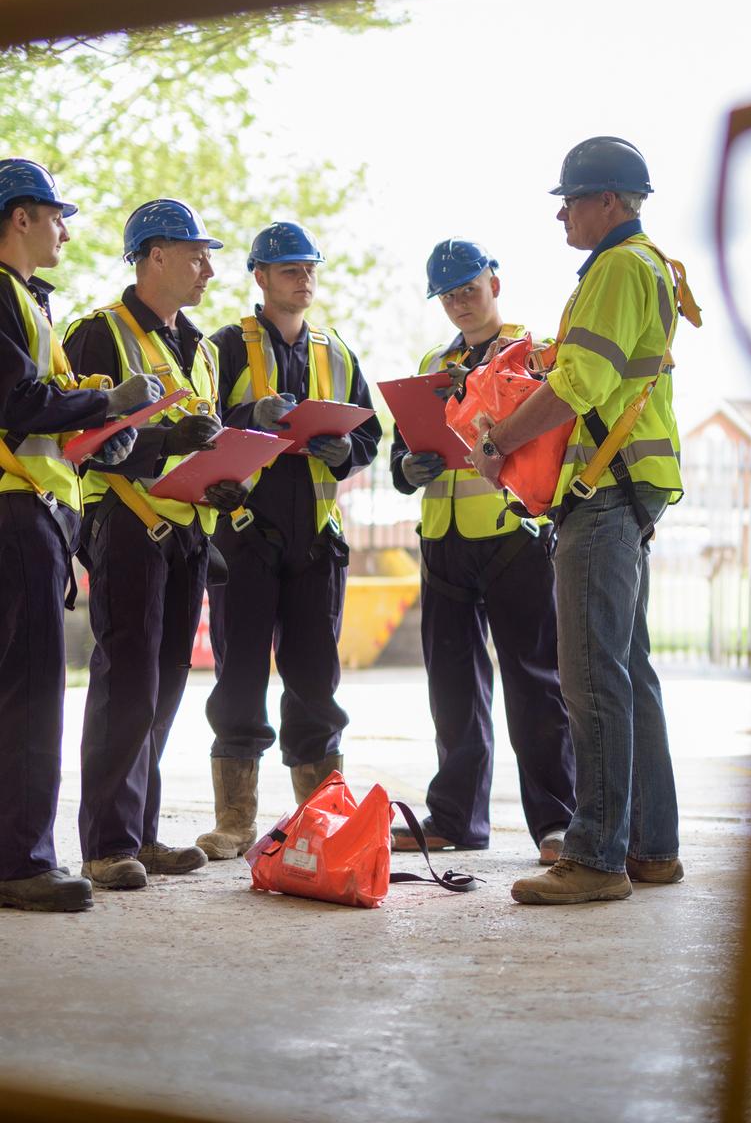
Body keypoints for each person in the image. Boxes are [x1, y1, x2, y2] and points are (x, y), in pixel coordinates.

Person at [470, 137, 700, 905]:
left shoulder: (616, 268)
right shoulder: (647, 266)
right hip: (628, 485)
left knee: (593, 678)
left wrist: (500, 438)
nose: (562, 214)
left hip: (604, 491)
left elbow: (580, 383)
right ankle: (651, 849)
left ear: (607, 200)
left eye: (570, 200)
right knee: (627, 672)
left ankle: (597, 858)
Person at [0, 160, 165, 912]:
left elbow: (45, 407)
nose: (64, 231)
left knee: (24, 692)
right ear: (21, 217)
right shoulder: (4, 296)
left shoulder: (28, 301)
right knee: (30, 697)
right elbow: (18, 402)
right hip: (15, 513)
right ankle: (21, 863)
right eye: (56, 216)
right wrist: (106, 403)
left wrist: (104, 430)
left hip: (34, 511)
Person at [196, 222, 382, 859]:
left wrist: (345, 450)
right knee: (239, 677)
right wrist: (249, 418)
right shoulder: (221, 348)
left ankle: (320, 820)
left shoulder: (338, 352)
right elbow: (197, 426)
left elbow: (368, 435)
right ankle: (235, 822)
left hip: (316, 543)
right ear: (260, 277)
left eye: (308, 269)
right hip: (245, 537)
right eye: (288, 270)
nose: (303, 280)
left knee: (315, 684)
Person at [65, 198, 232, 891]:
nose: (208, 270)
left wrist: (225, 477)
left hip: (187, 530)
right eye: (197, 256)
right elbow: (82, 441)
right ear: (155, 256)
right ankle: (107, 846)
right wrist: (168, 441)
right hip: (126, 526)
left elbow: (206, 436)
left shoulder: (199, 347)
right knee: (127, 683)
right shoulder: (98, 334)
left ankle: (139, 833)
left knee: (163, 687)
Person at [389, 238, 574, 861]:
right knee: (452, 688)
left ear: (495, 283)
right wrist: (406, 467)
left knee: (535, 684)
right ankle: (455, 818)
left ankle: (558, 822)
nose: (459, 303)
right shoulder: (431, 364)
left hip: (514, 535)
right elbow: (404, 450)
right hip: (443, 540)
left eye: (468, 289)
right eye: (447, 295)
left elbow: (549, 440)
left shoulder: (535, 354)